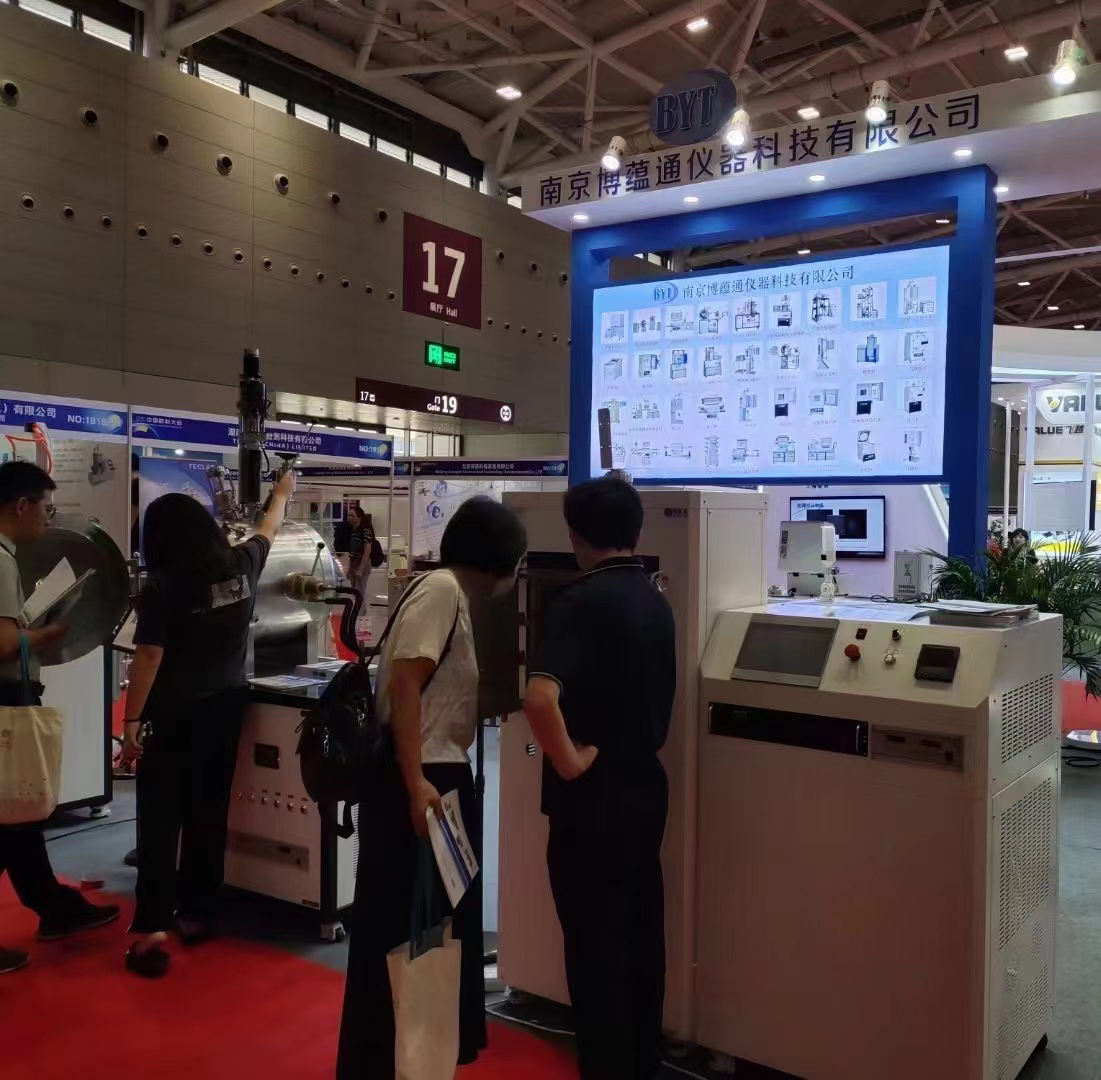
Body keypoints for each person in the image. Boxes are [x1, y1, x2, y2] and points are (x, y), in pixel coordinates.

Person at [337, 496, 527, 1078]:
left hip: (427, 773)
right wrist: (416, 778)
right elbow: (407, 682)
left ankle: (411, 1053)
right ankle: (398, 1056)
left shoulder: (443, 593)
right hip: (423, 778)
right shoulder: (442, 591)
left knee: (422, 922)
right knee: (413, 924)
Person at [524, 478, 676, 1080]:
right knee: (641, 943)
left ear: (575, 535)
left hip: (592, 803)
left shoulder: (577, 602)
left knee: (595, 955)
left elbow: (540, 698)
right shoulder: (656, 600)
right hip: (646, 790)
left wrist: (568, 761)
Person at [120, 471, 296, 977]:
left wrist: (131, 721)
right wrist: (282, 492)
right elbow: (269, 528)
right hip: (225, 707)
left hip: (173, 713)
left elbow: (149, 655)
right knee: (209, 811)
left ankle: (153, 926)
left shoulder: (163, 586)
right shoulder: (241, 566)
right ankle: (199, 912)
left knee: (160, 819)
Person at [0, 462, 120, 975]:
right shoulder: (0, 558)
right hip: (5, 698)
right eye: (45, 509)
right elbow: (4, 643)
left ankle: (55, 907)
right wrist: (48, 633)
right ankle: (55, 907)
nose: (48, 520)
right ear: (21, 505)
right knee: (15, 811)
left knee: (18, 815)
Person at [347, 505, 378, 601]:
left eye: (352, 516)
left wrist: (361, 568)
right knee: (354, 590)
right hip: (354, 562)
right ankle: (357, 609)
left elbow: (367, 550)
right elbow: (352, 552)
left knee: (360, 591)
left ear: (359, 517)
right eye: (349, 515)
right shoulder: (353, 530)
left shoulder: (365, 530)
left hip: (362, 562)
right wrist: (349, 568)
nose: (349, 518)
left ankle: (361, 609)